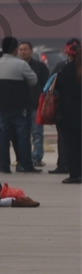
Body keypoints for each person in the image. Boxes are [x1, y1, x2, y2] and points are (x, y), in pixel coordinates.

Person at [0, 35, 39, 175]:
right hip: (20, 105)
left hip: (3, 106)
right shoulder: (21, 64)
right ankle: (26, 164)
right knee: (23, 135)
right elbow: (33, 80)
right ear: (15, 49)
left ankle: (4, 165)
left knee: (4, 135)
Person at [53, 38, 81, 184]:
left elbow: (55, 88)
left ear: (70, 55)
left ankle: (74, 174)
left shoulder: (65, 70)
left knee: (70, 145)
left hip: (67, 115)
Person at [17, 41, 48, 172]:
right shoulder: (17, 67)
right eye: (20, 49)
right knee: (23, 134)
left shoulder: (40, 67)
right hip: (21, 105)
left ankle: (37, 157)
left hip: (36, 104)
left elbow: (46, 85)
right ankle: (24, 158)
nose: (23, 52)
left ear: (31, 51)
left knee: (37, 132)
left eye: (25, 49)